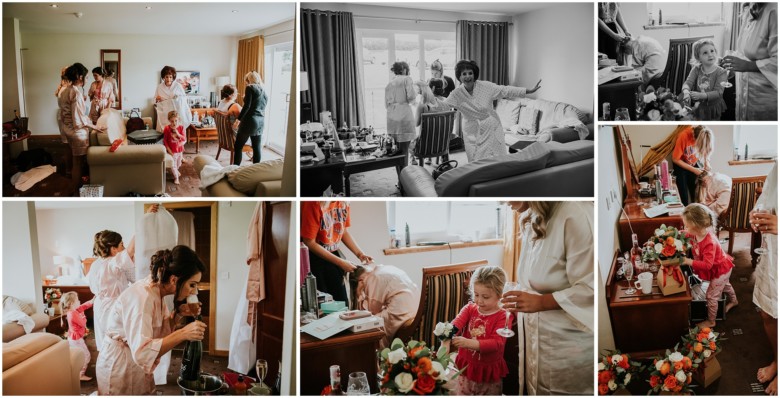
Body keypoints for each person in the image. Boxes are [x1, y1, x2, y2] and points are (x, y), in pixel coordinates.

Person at [502, 201, 593, 395]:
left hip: (567, 346)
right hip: (535, 341)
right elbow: (533, 279)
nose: (503, 201)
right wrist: (518, 300)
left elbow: (590, 288)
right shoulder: (531, 216)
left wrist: (541, 302)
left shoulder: (574, 214)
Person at [96, 245, 207, 395]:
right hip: (119, 364)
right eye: (192, 285)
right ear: (174, 280)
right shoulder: (142, 297)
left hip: (133, 361)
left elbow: (159, 331)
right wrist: (183, 333)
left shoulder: (156, 291)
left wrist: (179, 313)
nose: (194, 291)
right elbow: (143, 351)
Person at [444, 60, 541, 162]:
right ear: (459, 77)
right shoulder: (456, 94)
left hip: (491, 127)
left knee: (495, 158)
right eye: (464, 74)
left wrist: (527, 91)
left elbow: (504, 90)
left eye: (470, 73)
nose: (468, 76)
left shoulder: (486, 86)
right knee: (474, 160)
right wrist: (428, 102)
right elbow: (443, 105)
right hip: (471, 131)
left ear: (474, 74)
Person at [442, 265, 512, 395]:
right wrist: (445, 340)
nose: (479, 300)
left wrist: (468, 343)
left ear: (500, 295)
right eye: (476, 294)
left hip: (488, 372)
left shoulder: (503, 316)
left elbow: (497, 343)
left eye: (485, 297)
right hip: (466, 368)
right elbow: (455, 325)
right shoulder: (470, 309)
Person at [300, 201, 373, 303]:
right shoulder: (313, 203)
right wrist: (340, 262)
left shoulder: (344, 203)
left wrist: (360, 254)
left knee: (341, 301)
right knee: (322, 303)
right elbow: (309, 242)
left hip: (333, 255)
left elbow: (343, 231)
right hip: (313, 257)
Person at [680, 203, 739, 328]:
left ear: (697, 226)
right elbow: (685, 234)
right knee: (725, 285)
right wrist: (673, 234)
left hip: (721, 269)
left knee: (711, 296)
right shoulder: (697, 232)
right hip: (720, 268)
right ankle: (734, 301)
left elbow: (707, 265)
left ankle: (711, 321)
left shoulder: (709, 242)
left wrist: (688, 261)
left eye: (687, 225)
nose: (685, 228)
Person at [722, 3, 777, 121]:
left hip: (763, 96)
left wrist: (747, 65)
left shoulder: (774, 10)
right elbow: (744, 51)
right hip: (744, 92)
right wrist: (732, 66)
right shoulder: (750, 9)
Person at [750, 161, 778, 394]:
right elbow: (766, 199)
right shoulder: (778, 167)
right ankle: (778, 358)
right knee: (767, 312)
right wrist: (756, 213)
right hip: (772, 254)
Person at [87, 230, 136, 352]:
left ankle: (105, 366)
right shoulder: (114, 263)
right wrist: (142, 225)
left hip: (100, 304)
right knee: (118, 341)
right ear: (113, 249)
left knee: (105, 341)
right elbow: (131, 250)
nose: (123, 248)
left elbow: (93, 288)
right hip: (113, 307)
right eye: (121, 245)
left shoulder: (96, 264)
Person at [58, 62, 104, 188]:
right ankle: (77, 190)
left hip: (67, 130)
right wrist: (94, 126)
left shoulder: (66, 90)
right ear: (80, 77)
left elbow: (63, 114)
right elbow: (78, 119)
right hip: (77, 133)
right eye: (86, 76)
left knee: (75, 161)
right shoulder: (76, 93)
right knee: (78, 163)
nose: (88, 79)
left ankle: (75, 188)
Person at [353, 264, 419, 348]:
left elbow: (372, 310)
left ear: (360, 280)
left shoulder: (372, 278)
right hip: (416, 305)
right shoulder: (383, 268)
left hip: (402, 311)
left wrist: (360, 295)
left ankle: (379, 355)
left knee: (373, 324)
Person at [682, 39, 729, 121]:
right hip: (699, 106)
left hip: (713, 107)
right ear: (698, 57)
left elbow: (719, 92)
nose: (710, 55)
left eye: (712, 51)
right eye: (705, 53)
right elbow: (688, 83)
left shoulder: (721, 72)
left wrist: (702, 96)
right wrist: (686, 91)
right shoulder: (696, 69)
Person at [385, 62, 416, 169]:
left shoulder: (390, 83)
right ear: (404, 70)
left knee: (397, 151)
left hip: (392, 117)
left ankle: (400, 179)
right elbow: (411, 97)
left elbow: (386, 104)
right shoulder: (407, 79)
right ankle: (404, 179)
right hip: (404, 116)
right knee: (404, 151)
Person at [672, 125, 712, 205]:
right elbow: (675, 159)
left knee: (695, 193)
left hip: (692, 162)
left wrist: (706, 162)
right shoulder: (683, 136)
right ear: (694, 137)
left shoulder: (705, 134)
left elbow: (705, 150)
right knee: (683, 197)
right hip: (680, 164)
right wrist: (694, 170)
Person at [59, 292, 94, 381]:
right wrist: (82, 315)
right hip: (76, 340)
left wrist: (92, 301)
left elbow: (83, 306)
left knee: (77, 355)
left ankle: (75, 372)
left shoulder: (72, 311)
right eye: (77, 300)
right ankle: (80, 375)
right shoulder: (73, 314)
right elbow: (83, 323)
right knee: (86, 356)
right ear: (71, 303)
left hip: (75, 338)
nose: (79, 301)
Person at [235, 71, 267, 165]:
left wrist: (238, 119)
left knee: (238, 146)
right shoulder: (263, 89)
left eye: (246, 80)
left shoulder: (250, 87)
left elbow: (247, 106)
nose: (246, 82)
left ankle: (234, 169)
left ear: (249, 80)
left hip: (250, 121)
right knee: (256, 147)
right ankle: (255, 170)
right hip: (260, 121)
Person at [154, 65, 190, 131]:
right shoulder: (159, 87)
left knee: (176, 133)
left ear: (173, 77)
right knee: (165, 133)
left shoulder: (178, 86)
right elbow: (155, 100)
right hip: (164, 114)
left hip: (176, 114)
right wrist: (157, 99)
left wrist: (176, 99)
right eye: (166, 77)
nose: (168, 79)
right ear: (163, 77)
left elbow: (184, 98)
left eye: (170, 77)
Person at [163, 110, 186, 185]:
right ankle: (176, 178)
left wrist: (178, 133)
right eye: (172, 121)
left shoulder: (181, 128)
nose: (174, 123)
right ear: (169, 121)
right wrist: (169, 150)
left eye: (176, 121)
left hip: (179, 150)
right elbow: (165, 141)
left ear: (178, 120)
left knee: (178, 164)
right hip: (172, 151)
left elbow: (184, 139)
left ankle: (176, 170)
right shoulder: (166, 128)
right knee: (173, 165)